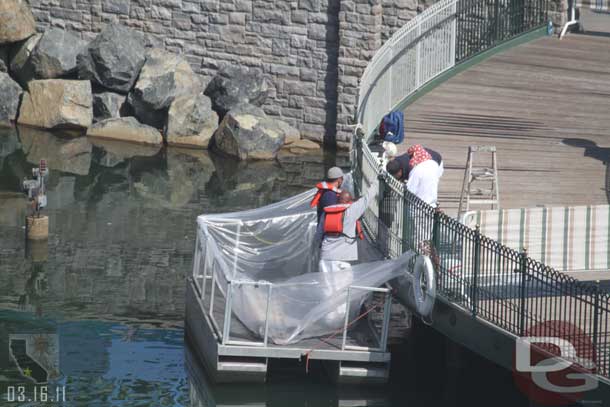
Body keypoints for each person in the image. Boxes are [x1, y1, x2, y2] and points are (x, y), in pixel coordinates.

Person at [315, 178, 379, 273]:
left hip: (325, 258)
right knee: (344, 288)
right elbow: (367, 198)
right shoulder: (351, 210)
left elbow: (318, 234)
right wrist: (376, 182)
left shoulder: (326, 212)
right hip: (342, 259)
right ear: (349, 201)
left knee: (326, 287)